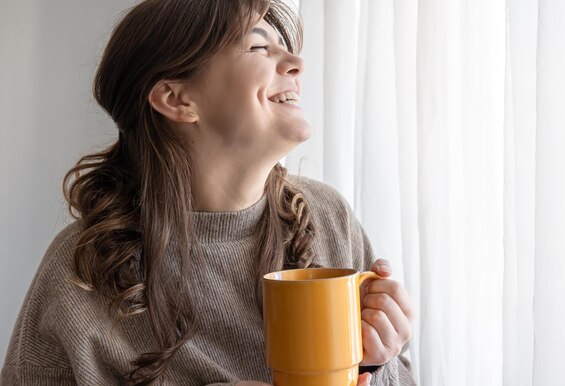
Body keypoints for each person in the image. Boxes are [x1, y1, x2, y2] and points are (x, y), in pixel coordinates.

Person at [0, 0, 416, 385]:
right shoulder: (82, 268)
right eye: (258, 47)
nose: (295, 63)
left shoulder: (328, 216)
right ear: (177, 99)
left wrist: (375, 363)